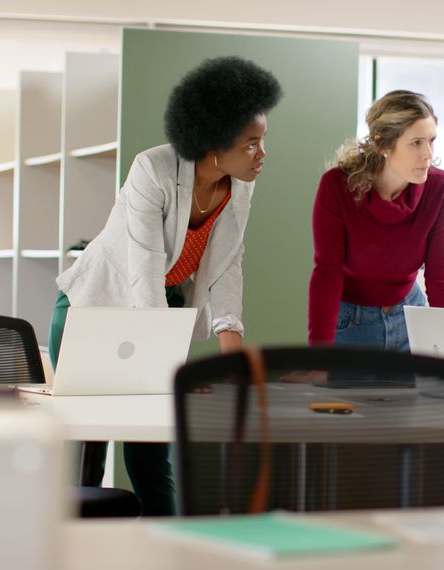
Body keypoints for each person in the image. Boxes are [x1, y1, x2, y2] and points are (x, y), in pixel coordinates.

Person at [49, 56, 282, 516]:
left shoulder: (239, 184)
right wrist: (158, 357)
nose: (262, 154)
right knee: (85, 452)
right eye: (251, 143)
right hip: (93, 308)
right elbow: (144, 270)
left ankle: (169, 551)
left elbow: (227, 265)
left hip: (160, 311)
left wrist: (231, 347)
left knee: (152, 451)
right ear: (215, 141)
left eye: (263, 141)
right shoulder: (152, 169)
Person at [307, 90, 444, 350]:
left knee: (428, 390)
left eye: (431, 141)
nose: (428, 154)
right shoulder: (337, 186)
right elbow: (327, 273)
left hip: (410, 318)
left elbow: (441, 274)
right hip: (350, 324)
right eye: (416, 143)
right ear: (383, 143)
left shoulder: (440, 188)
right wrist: (318, 355)